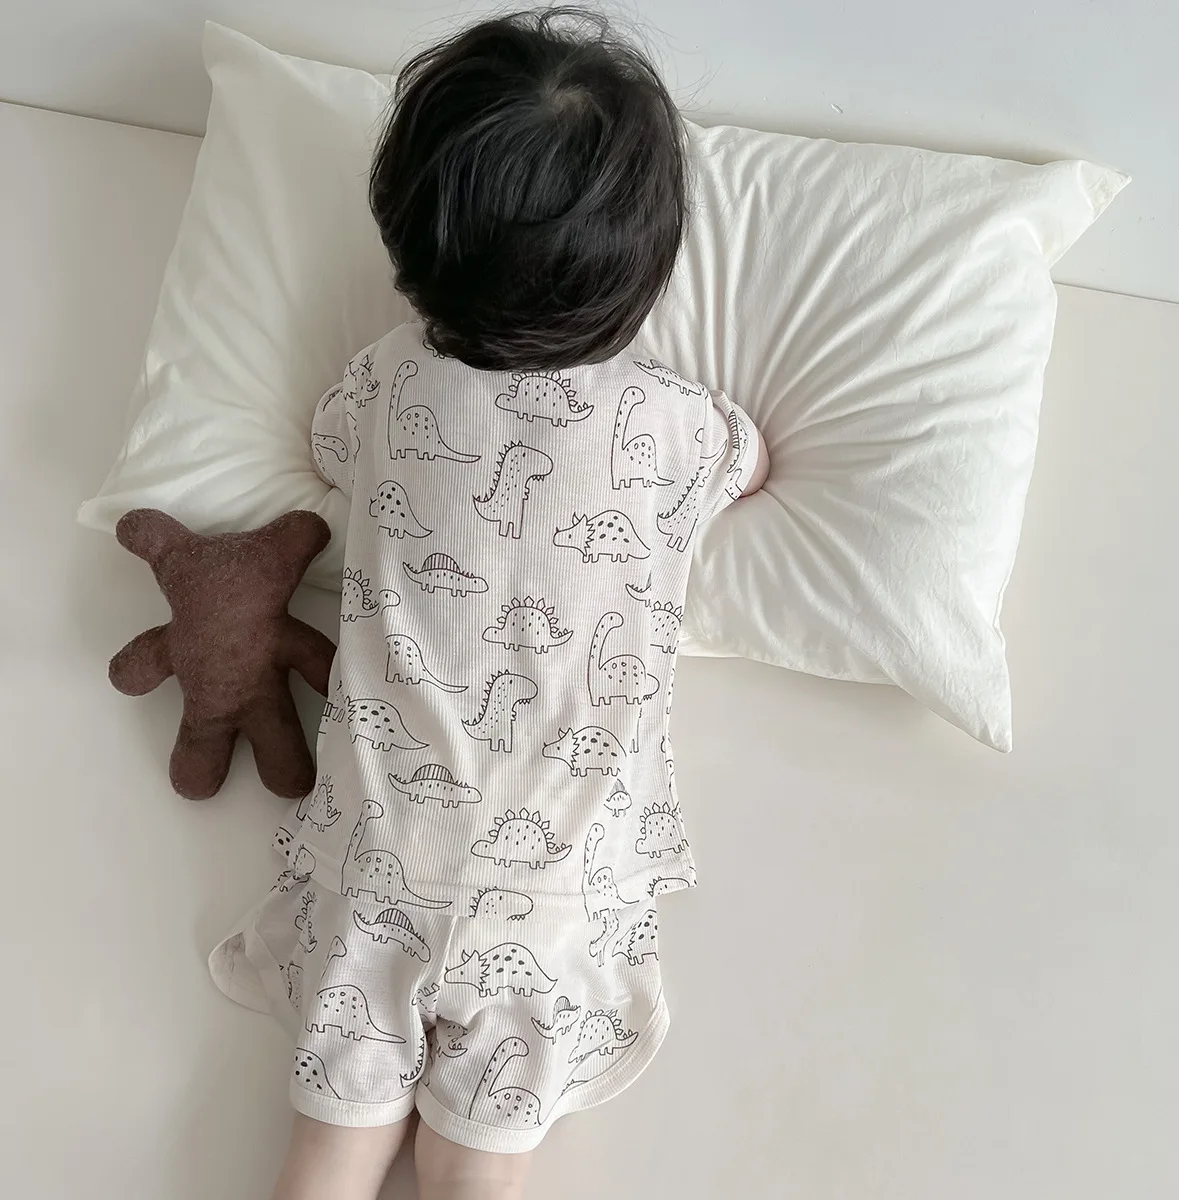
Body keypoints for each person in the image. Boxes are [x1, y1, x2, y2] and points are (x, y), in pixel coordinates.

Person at [209, 9, 769, 1199]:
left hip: (379, 861)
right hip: (556, 891)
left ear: (408, 242)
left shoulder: (383, 386)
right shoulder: (672, 428)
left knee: (325, 1158)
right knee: (480, 1172)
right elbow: (750, 461)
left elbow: (326, 448)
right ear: (647, 269)